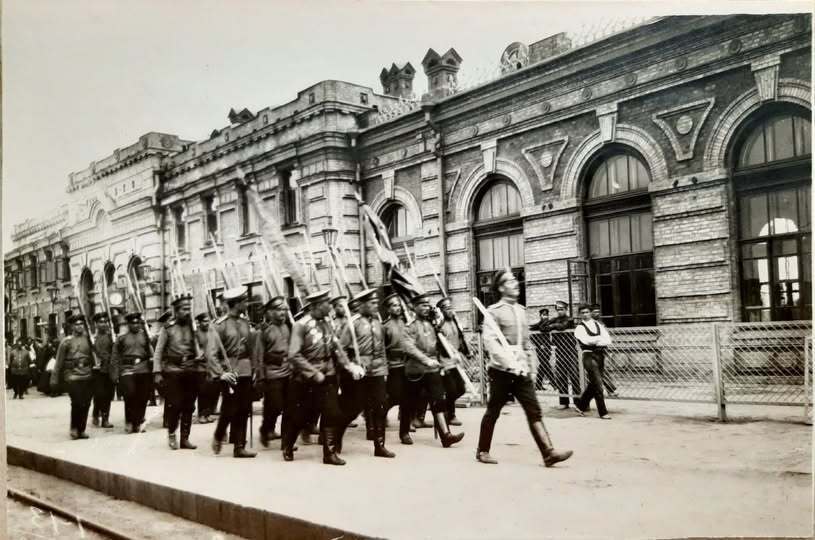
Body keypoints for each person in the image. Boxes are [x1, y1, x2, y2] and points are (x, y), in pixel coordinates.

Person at [476, 270, 573, 467]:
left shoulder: (520, 310)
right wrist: (508, 363)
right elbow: (491, 342)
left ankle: (548, 452)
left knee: (533, 409)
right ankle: (482, 451)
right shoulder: (493, 311)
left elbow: (527, 343)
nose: (516, 283)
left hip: (521, 369)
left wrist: (531, 367)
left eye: (515, 280)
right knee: (493, 410)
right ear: (501, 287)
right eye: (510, 281)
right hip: (501, 370)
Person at [284, 289, 363, 465]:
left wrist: (349, 366)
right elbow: (293, 355)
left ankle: (329, 454)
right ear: (316, 306)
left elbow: (336, 348)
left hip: (328, 376)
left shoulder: (327, 323)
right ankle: (287, 445)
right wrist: (313, 373)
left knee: (331, 413)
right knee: (302, 416)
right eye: (327, 303)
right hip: (307, 379)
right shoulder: (301, 325)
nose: (331, 306)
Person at [336, 288, 395, 458]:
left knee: (380, 407)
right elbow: (341, 350)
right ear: (362, 305)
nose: (376, 306)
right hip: (359, 373)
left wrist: (384, 370)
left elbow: (382, 349)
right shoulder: (352, 324)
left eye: (377, 302)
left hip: (376, 372)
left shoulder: (377, 323)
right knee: (352, 409)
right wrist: (353, 365)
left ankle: (380, 446)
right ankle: (336, 438)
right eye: (372, 303)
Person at [402, 293, 464, 448]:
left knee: (438, 400)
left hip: (432, 369)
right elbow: (409, 348)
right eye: (422, 305)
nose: (426, 308)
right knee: (409, 402)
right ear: (414, 308)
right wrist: (426, 360)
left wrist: (453, 354)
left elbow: (442, 342)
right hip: (415, 371)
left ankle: (446, 435)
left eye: (428, 305)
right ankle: (404, 432)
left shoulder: (433, 324)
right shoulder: (410, 326)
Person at [153, 295, 206, 450]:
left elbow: (201, 347)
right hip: (173, 371)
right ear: (176, 311)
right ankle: (171, 434)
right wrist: (157, 372)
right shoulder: (168, 329)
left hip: (190, 370)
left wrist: (200, 349)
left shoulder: (192, 327)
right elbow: (158, 352)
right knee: (175, 405)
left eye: (189, 309)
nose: (187, 312)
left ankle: (185, 438)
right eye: (184, 309)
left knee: (189, 406)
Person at [210, 287, 257, 458]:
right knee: (230, 408)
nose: (246, 303)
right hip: (229, 371)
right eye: (243, 301)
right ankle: (219, 434)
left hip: (245, 370)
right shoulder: (220, 325)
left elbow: (251, 349)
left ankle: (239, 447)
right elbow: (211, 353)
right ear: (236, 304)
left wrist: (255, 369)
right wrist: (221, 373)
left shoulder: (245, 323)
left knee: (244, 408)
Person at [253, 296, 291, 448]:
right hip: (272, 374)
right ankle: (265, 429)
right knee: (274, 405)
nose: (283, 312)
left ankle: (285, 439)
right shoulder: (264, 330)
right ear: (270, 312)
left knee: (288, 407)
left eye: (284, 309)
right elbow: (259, 356)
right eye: (279, 309)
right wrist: (260, 378)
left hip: (288, 372)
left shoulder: (287, 327)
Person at [51, 315, 96, 439]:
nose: (79, 326)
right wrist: (54, 378)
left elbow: (96, 355)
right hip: (72, 375)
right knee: (77, 402)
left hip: (87, 374)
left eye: (81, 324)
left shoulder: (89, 339)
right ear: (72, 326)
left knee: (86, 403)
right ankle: (74, 428)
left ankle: (82, 429)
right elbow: (59, 361)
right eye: (76, 324)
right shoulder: (66, 341)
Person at [111, 312, 153, 434]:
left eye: (137, 322)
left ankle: (139, 422)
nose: (136, 325)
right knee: (130, 395)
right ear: (128, 324)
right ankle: (129, 421)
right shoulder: (122, 338)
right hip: (127, 369)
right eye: (133, 323)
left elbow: (152, 353)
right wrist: (114, 373)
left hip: (143, 369)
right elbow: (115, 356)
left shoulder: (146, 336)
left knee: (143, 397)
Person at [383, 292, 414, 443]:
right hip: (393, 366)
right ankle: (377, 419)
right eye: (394, 305)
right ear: (388, 309)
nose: (398, 308)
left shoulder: (406, 323)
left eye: (399, 305)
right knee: (394, 397)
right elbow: (382, 350)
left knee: (407, 400)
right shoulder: (386, 327)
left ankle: (404, 433)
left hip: (407, 365)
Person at [573, 305, 613, 419]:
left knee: (594, 383)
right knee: (598, 385)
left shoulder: (598, 324)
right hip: (588, 356)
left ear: (590, 313)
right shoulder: (579, 328)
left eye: (586, 312)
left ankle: (580, 406)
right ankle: (603, 412)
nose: (585, 314)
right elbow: (586, 341)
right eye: (582, 312)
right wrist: (599, 339)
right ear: (580, 314)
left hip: (600, 356)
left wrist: (596, 341)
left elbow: (608, 340)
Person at [436, 297, 470, 427]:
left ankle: (444, 408)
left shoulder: (455, 322)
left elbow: (460, 339)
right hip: (445, 362)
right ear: (442, 311)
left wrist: (466, 351)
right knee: (451, 390)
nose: (451, 311)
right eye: (448, 308)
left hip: (456, 361)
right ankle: (450, 415)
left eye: (452, 308)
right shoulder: (440, 325)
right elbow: (439, 345)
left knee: (461, 389)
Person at [551, 300, 580, 409]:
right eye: (558, 309)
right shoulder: (555, 320)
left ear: (566, 309)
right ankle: (564, 402)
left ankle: (578, 402)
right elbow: (543, 326)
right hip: (559, 351)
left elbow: (563, 326)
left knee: (574, 376)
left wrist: (552, 326)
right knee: (561, 376)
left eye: (562, 309)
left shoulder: (570, 319)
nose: (559, 311)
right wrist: (550, 325)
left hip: (570, 351)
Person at [91, 313, 116, 428]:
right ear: (96, 324)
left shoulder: (111, 337)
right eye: (100, 322)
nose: (103, 324)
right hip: (96, 371)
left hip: (108, 369)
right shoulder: (92, 338)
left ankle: (105, 419)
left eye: (105, 322)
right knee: (99, 394)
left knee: (108, 394)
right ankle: (96, 413)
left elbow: (115, 352)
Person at [194, 313, 220, 424]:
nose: (207, 323)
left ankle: (208, 413)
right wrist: (200, 355)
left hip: (211, 366)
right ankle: (201, 415)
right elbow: (196, 350)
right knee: (203, 392)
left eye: (208, 321)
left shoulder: (211, 332)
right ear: (199, 323)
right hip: (200, 367)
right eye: (204, 321)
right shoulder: (196, 334)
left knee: (211, 391)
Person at [590, 304, 618, 397]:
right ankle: (608, 390)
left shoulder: (601, 323)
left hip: (601, 350)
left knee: (602, 370)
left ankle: (610, 389)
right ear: (591, 313)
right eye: (595, 312)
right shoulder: (589, 324)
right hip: (592, 350)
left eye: (598, 311)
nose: (597, 313)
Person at [530, 307, 554, 391]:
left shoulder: (548, 324)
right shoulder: (537, 325)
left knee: (543, 365)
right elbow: (532, 335)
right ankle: (554, 383)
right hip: (540, 349)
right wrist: (539, 344)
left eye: (547, 315)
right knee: (545, 364)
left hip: (547, 348)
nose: (545, 317)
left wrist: (550, 344)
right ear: (540, 316)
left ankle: (538, 385)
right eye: (544, 315)